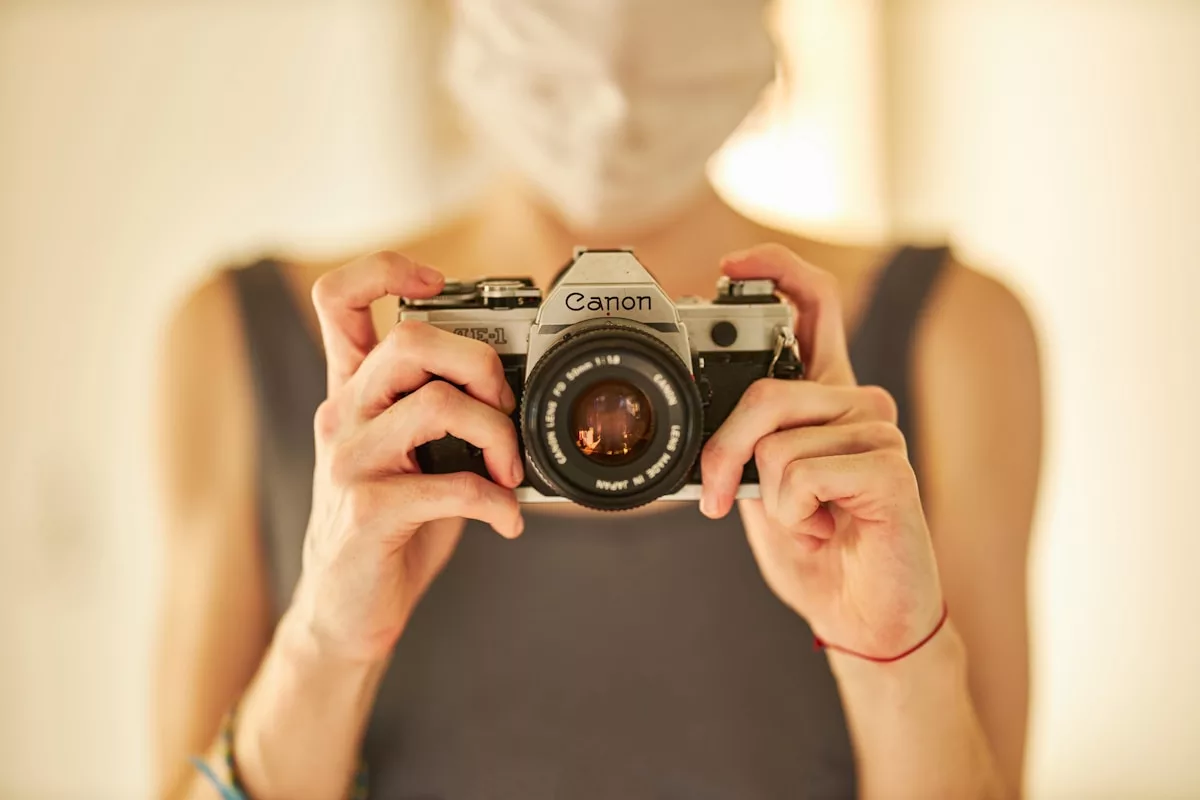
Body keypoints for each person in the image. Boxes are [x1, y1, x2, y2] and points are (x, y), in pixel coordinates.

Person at [154, 1, 1042, 798]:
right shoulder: (247, 335)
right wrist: (323, 645)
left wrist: (892, 660)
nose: (613, 50)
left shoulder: (948, 333)